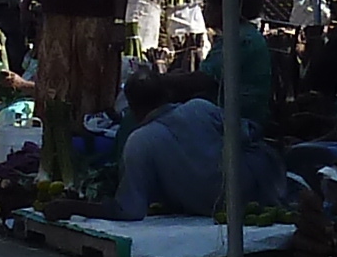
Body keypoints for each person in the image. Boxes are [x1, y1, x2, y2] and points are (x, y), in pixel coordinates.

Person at [114, 73, 291, 221]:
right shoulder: (200, 108)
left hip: (210, 205)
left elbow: (131, 208)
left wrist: (87, 208)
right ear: (168, 94)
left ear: (132, 109)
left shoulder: (138, 142)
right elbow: (249, 131)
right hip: (253, 190)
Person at [197, 0, 277, 130]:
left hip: (241, 123)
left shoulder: (239, 39)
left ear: (225, 6)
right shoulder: (236, 34)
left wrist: (163, 81)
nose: (204, 8)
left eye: (208, 2)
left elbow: (204, 79)